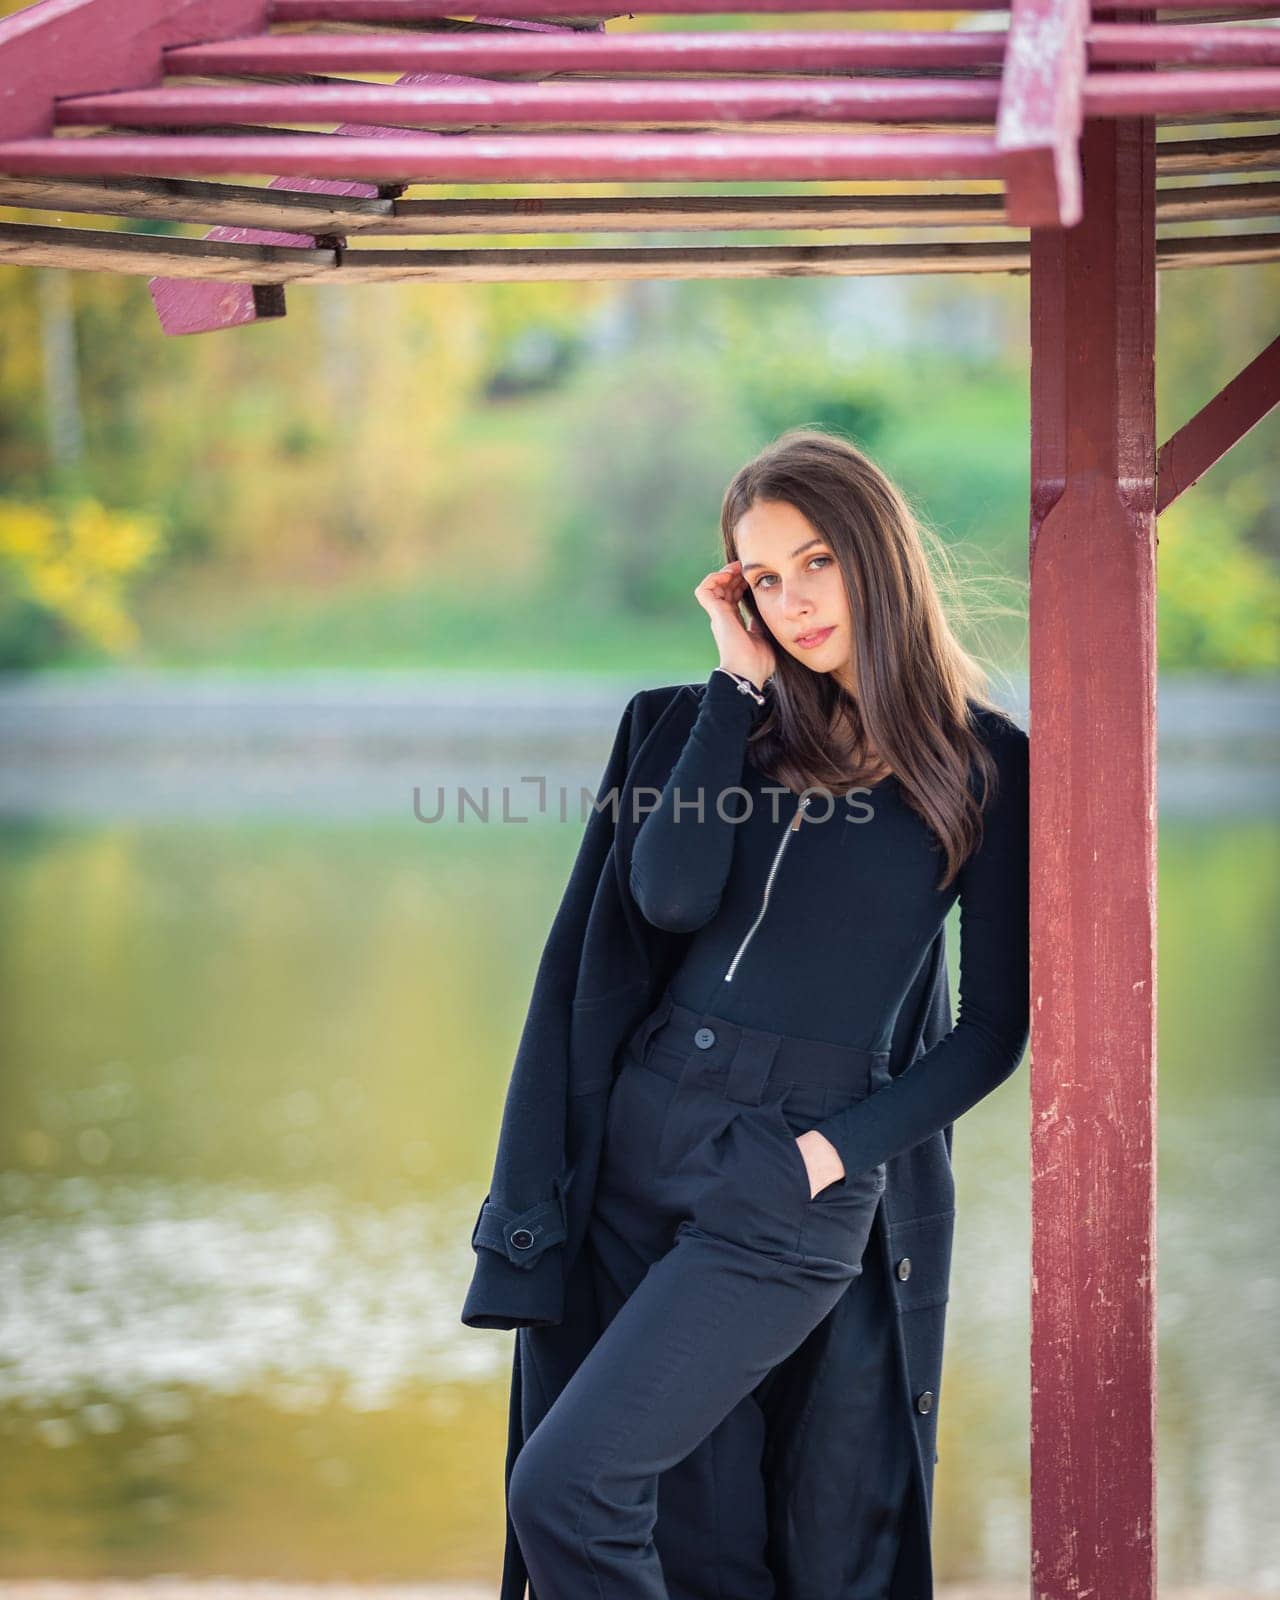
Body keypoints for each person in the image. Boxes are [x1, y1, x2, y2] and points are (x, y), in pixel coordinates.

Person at [501, 429, 1030, 1598]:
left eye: (815, 562)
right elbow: (668, 891)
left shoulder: (986, 763)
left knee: (566, 1486)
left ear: (877, 555)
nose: (792, 601)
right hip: (638, 1138)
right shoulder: (726, 729)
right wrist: (731, 677)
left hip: (783, 1179)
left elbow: (991, 1031)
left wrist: (822, 1155)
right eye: (761, 578)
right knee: (700, 1542)